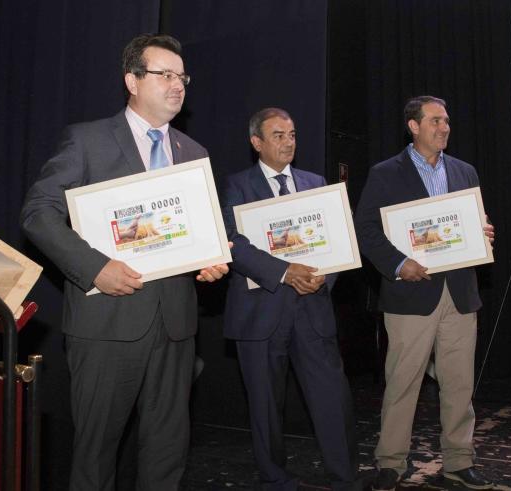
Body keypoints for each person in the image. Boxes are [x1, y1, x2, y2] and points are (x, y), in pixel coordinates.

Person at [20, 33, 228, 490]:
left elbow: (200, 236)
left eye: (182, 77)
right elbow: (38, 214)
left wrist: (211, 262)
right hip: (106, 324)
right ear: (132, 81)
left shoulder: (194, 154)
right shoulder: (88, 140)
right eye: (165, 75)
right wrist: (95, 266)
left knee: (167, 451)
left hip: (176, 325)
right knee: (96, 454)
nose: (178, 85)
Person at [354, 96, 495, 491]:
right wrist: (399, 264)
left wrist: (482, 234)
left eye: (447, 121)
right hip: (411, 295)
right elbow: (365, 229)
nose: (444, 127)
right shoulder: (385, 173)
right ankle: (390, 464)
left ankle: (458, 463)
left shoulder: (465, 171)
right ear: (413, 127)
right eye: (435, 121)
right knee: (403, 383)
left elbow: (473, 222)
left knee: (459, 384)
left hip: (460, 293)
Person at [220, 107, 358, 490]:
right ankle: (274, 479)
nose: (288, 142)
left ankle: (345, 478)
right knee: (264, 406)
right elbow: (234, 244)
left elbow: (338, 240)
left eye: (293, 134)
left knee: (333, 399)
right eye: (278, 135)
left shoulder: (316, 183)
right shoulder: (237, 185)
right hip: (260, 313)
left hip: (313, 308)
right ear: (257, 142)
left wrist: (322, 277)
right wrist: (285, 272)